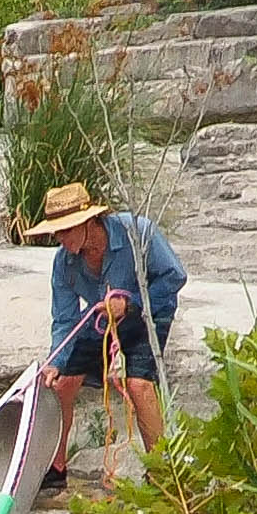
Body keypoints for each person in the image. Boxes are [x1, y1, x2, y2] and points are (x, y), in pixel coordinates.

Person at [28, 179, 187, 468]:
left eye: (66, 230)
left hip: (150, 311)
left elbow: (174, 277)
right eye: (56, 233)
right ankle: (56, 467)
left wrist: (131, 304)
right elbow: (65, 319)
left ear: (89, 221)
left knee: (138, 384)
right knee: (62, 382)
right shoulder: (63, 262)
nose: (61, 239)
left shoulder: (138, 231)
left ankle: (161, 471)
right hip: (102, 318)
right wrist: (55, 360)